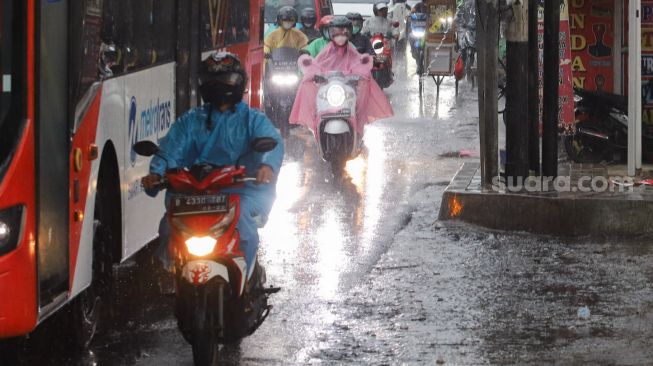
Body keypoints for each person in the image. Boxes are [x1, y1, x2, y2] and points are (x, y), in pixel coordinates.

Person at [141, 52, 284, 273]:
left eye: (225, 80)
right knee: (169, 226)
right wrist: (157, 173)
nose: (219, 86)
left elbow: (272, 142)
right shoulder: (191, 120)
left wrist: (267, 166)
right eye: (212, 81)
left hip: (242, 189)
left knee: (243, 224)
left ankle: (244, 273)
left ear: (238, 83)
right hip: (197, 191)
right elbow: (171, 149)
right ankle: (173, 273)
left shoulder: (252, 119)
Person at [290, 16, 393, 134]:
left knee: (359, 102)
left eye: (343, 33)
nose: (340, 37)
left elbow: (359, 62)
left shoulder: (352, 48)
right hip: (329, 90)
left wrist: (367, 63)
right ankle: (316, 126)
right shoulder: (325, 49)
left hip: (347, 90)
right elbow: (317, 64)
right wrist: (311, 70)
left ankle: (358, 129)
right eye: (336, 33)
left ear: (349, 33)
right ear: (330, 33)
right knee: (314, 100)